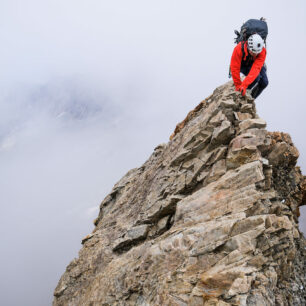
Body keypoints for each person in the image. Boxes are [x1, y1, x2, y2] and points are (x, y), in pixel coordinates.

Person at [230, 33, 268, 98]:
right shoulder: (238, 49)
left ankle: (250, 98)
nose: (255, 55)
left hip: (254, 63)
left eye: (257, 53)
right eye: (253, 52)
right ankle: (243, 93)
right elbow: (234, 68)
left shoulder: (262, 51)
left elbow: (256, 68)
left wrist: (244, 85)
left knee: (264, 82)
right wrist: (238, 86)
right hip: (243, 64)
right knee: (256, 78)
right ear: (248, 46)